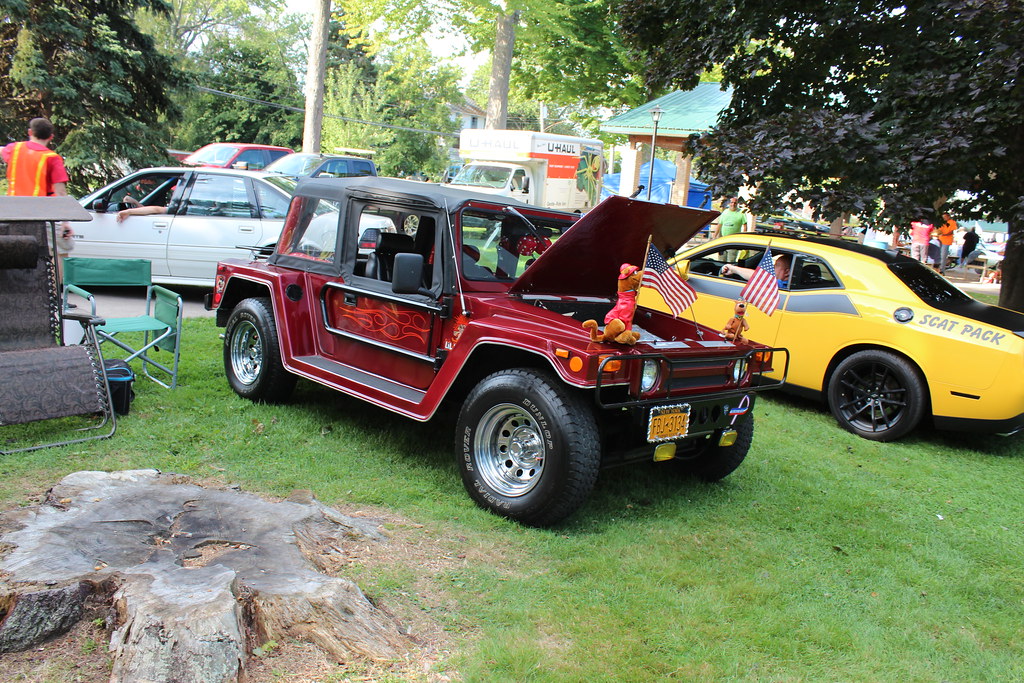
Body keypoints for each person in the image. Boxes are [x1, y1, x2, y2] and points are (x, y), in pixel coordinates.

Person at [1, 117, 75, 278]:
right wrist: (65, 224)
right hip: (41, 214)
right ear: (51, 137)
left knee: (11, 249)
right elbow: (60, 193)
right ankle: (54, 296)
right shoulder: (52, 158)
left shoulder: (14, 149)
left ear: (30, 132)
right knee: (61, 249)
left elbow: (2, 151)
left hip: (12, 213)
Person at [719, 253, 792, 288]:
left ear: (787, 272)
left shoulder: (783, 285)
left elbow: (759, 277)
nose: (772, 267)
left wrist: (733, 269)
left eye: (776, 265)